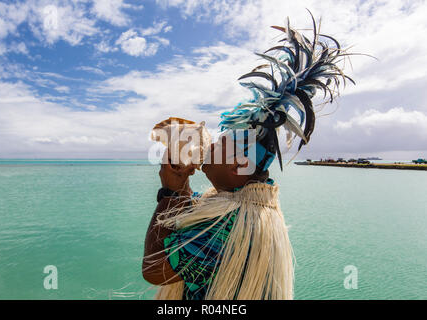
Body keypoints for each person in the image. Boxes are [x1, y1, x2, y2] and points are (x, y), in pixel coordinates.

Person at [142, 12, 356, 300]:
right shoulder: (257, 211)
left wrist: (168, 192)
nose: (213, 146)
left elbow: (155, 269)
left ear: (240, 164)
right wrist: (181, 185)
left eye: (221, 143)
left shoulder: (224, 225)